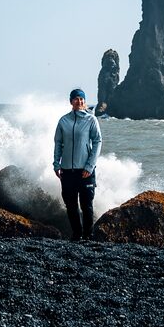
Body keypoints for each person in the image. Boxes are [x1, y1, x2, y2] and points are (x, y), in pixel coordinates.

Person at [53, 88, 102, 240]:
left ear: (84, 102)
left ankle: (88, 236)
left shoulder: (91, 120)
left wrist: (90, 166)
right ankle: (77, 235)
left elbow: (97, 141)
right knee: (71, 206)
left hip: (85, 171)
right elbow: (58, 143)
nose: (79, 101)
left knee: (86, 206)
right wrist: (56, 164)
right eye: (76, 99)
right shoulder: (63, 121)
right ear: (71, 101)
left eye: (82, 99)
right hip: (67, 171)